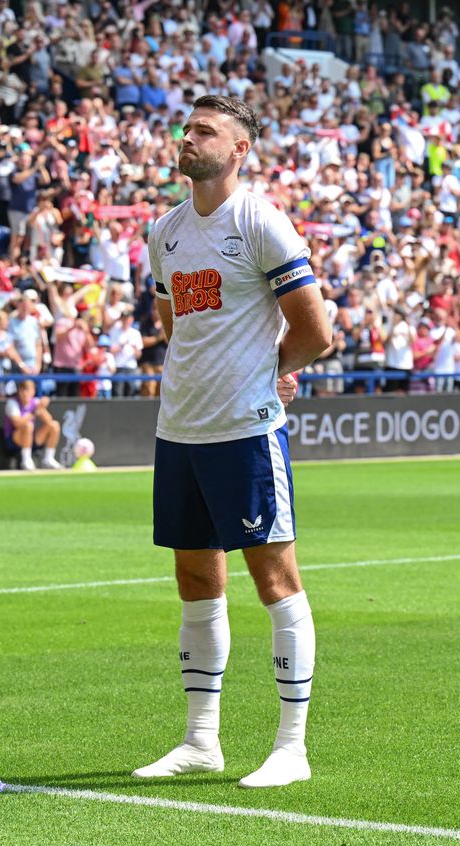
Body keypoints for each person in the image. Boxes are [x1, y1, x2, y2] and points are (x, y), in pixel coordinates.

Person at [132, 95, 330, 789]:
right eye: (188, 129)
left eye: (206, 130)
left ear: (239, 150)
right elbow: (172, 320)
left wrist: (272, 374)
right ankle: (200, 739)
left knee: (274, 580)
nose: (190, 138)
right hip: (180, 425)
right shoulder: (166, 230)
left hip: (245, 429)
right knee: (194, 579)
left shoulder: (260, 221)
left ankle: (291, 747)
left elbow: (314, 330)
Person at [3, 378, 63, 470]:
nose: (25, 393)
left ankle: (48, 459)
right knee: (28, 425)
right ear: (19, 391)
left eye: (28, 390)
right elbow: (17, 423)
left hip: (32, 438)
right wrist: (34, 413)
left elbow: (49, 421)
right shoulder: (12, 403)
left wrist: (42, 408)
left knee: (54, 425)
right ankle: (26, 460)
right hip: (14, 439)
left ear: (33, 391)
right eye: (23, 390)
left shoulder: (35, 402)